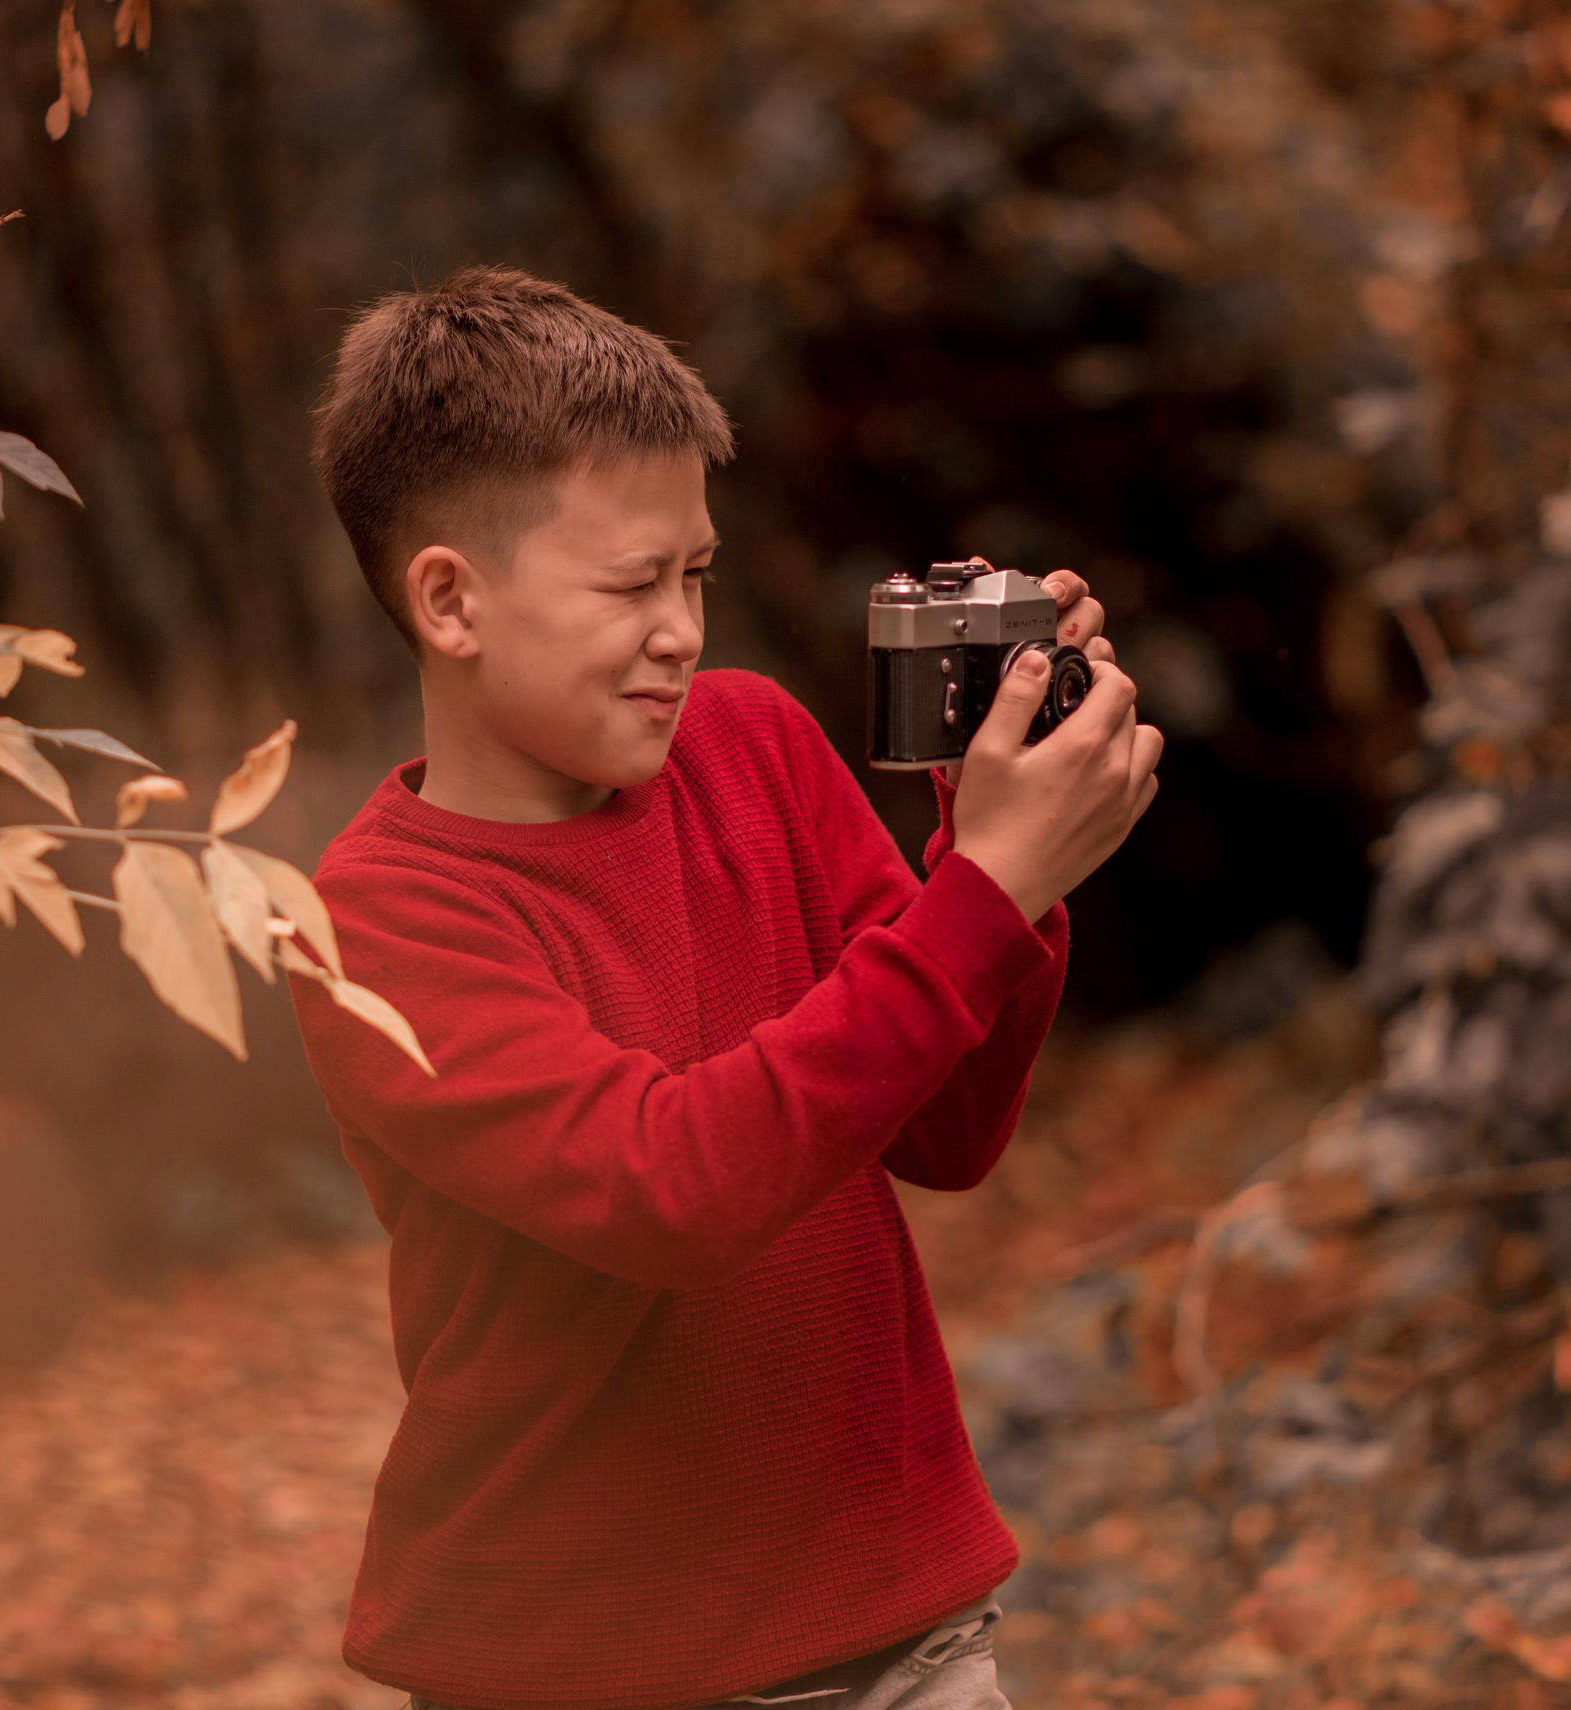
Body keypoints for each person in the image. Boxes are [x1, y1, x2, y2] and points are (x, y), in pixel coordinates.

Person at [289, 265, 1163, 1710]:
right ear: (450, 599)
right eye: (634, 582)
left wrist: (998, 839)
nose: (684, 628)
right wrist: (987, 890)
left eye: (694, 572)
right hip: (579, 1670)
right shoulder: (382, 916)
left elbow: (945, 1130)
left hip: (912, 1637)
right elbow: (671, 1186)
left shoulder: (749, 741)